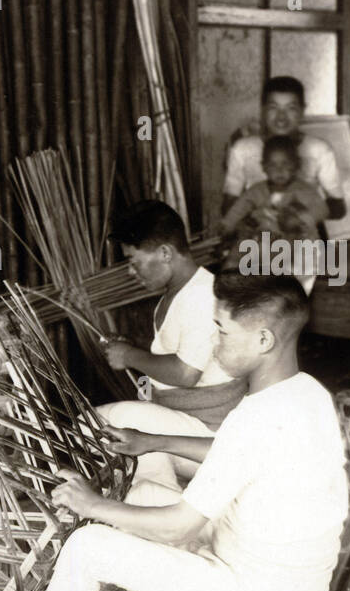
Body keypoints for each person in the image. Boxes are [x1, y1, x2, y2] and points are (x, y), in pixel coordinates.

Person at [17, 272, 349, 591]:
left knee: (88, 545)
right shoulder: (306, 393)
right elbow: (237, 455)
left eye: (222, 331)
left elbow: (178, 528)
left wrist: (91, 504)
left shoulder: (257, 416)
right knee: (142, 493)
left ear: (264, 340)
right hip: (284, 575)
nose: (214, 344)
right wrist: (151, 441)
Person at [98, 201, 246, 493]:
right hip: (189, 427)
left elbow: (185, 373)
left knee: (111, 421)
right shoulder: (180, 293)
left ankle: (167, 508)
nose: (131, 272)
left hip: (209, 438)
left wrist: (130, 356)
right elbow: (180, 355)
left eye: (134, 261)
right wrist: (134, 348)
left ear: (165, 253)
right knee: (116, 429)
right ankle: (164, 498)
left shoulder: (203, 296)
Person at [221, 75, 347, 223]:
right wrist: (260, 216)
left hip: (302, 235)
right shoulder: (242, 149)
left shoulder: (319, 150)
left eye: (291, 108)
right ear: (263, 110)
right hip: (259, 235)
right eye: (274, 108)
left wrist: (300, 214)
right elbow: (228, 207)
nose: (281, 117)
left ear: (302, 111)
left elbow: (339, 208)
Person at [221, 135, 329, 294]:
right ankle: (231, 284)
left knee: (300, 264)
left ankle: (296, 290)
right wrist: (227, 225)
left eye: (285, 164)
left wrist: (301, 218)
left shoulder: (303, 190)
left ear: (296, 165)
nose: (279, 170)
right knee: (242, 248)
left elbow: (321, 209)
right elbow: (240, 207)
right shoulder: (257, 190)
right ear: (263, 167)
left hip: (297, 239)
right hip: (267, 240)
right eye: (272, 165)